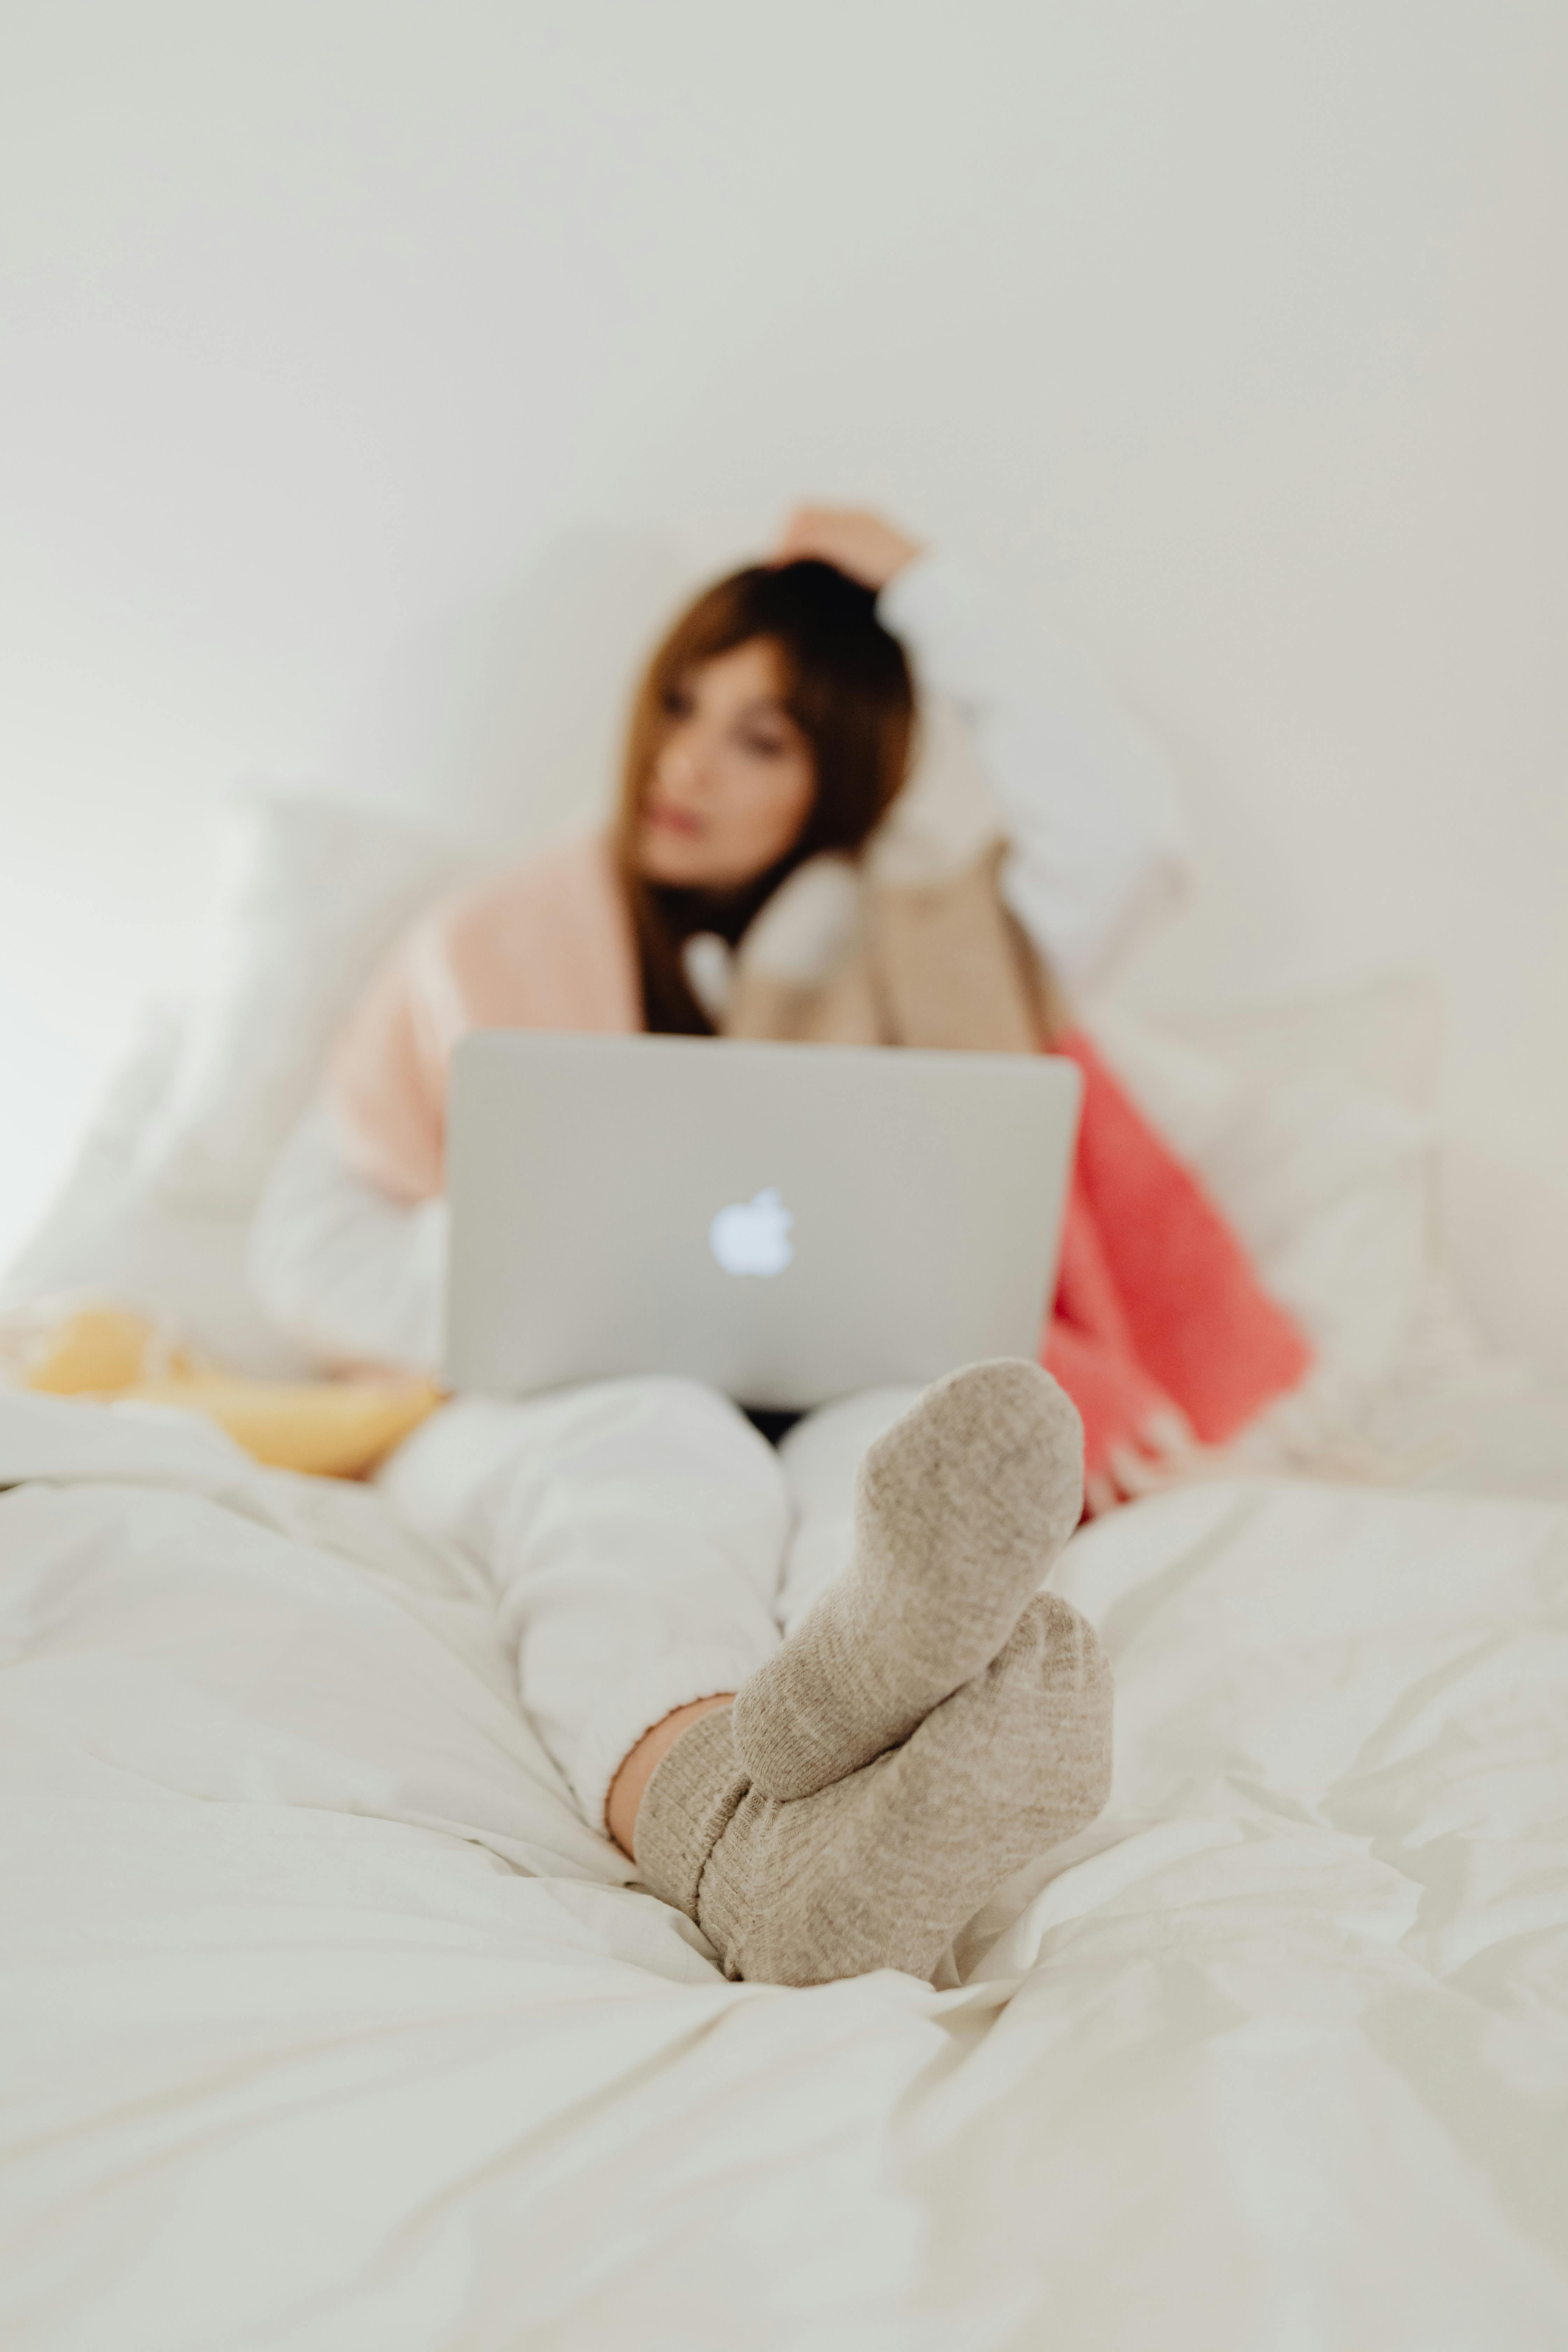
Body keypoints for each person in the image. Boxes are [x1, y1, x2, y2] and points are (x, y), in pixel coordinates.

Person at [250, 506, 1298, 1985]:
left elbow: (1122, 829)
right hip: (546, 1398)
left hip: (833, 1380)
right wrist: (532, 1276)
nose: (685, 764)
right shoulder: (489, 945)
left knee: (905, 1455)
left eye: (763, 739)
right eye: (683, 703)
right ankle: (738, 1845)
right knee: (651, 1453)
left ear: (840, 775)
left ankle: (855, 1786)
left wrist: (921, 588)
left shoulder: (927, 944)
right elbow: (303, 1242)